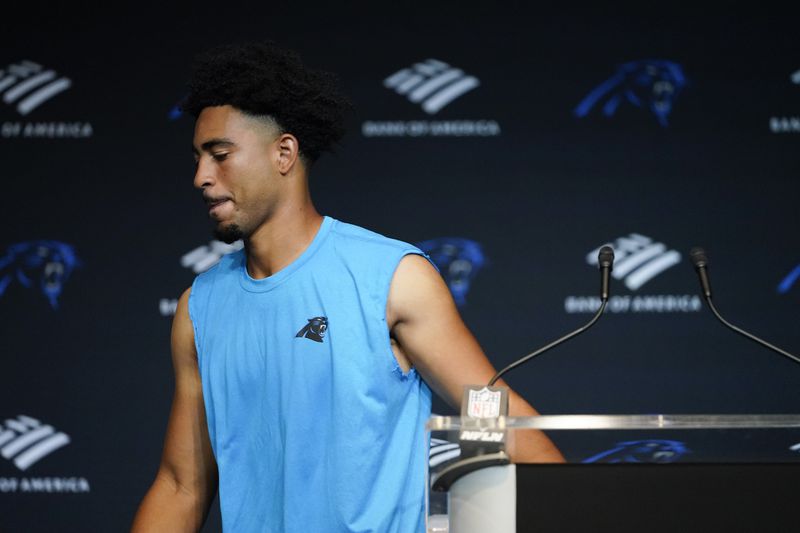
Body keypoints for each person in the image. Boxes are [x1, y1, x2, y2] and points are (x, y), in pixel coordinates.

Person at [131, 41, 563, 533]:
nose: (201, 177)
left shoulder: (394, 278)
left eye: (220, 155)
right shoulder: (199, 309)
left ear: (284, 153)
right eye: (196, 158)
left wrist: (592, 512)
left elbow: (493, 418)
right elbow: (181, 486)